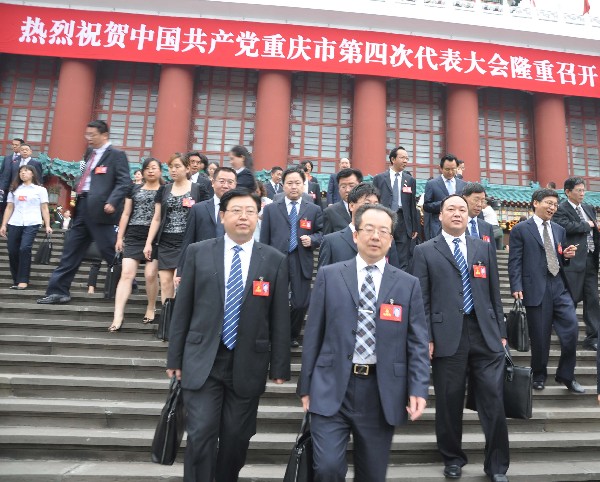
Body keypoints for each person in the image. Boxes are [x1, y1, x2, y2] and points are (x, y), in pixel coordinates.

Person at [166, 188, 290, 482]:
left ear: (258, 217)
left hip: (247, 361)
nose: (243, 216)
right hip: (203, 358)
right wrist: (175, 356)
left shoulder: (273, 260)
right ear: (222, 217)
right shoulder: (198, 252)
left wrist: (280, 365)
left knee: (237, 436)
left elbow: (280, 319)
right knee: (201, 432)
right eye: (236, 210)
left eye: (249, 211)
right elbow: (182, 309)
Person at [299, 203, 430, 482]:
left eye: (383, 231)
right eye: (368, 229)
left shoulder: (408, 285)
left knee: (372, 474)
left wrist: (418, 388)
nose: (375, 236)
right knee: (327, 468)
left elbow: (417, 342)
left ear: (391, 240)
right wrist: (305, 385)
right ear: (355, 235)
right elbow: (313, 334)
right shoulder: (330, 275)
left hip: (381, 391)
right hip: (331, 384)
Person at [412, 194, 510, 482]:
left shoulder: (483, 247)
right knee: (449, 400)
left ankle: (496, 465)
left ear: (469, 216)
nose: (457, 213)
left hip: (485, 334)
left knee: (493, 400)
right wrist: (426, 337)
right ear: (439, 215)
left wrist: (502, 333)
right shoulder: (425, 250)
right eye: (451, 209)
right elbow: (421, 300)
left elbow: (494, 293)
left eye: (462, 210)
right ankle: (452, 458)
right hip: (446, 336)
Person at [37, 120, 131, 305]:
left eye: (93, 135)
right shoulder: (90, 153)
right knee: (70, 250)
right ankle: (58, 291)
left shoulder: (117, 155)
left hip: (102, 210)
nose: (89, 138)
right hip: (82, 207)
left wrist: (113, 201)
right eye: (87, 135)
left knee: (109, 250)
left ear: (104, 135)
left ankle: (130, 281)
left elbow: (124, 181)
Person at [508, 188, 584, 393]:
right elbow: (514, 261)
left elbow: (557, 256)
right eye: (548, 203)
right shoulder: (520, 229)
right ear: (535, 203)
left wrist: (566, 256)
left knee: (571, 329)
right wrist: (516, 286)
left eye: (555, 205)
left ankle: (567, 375)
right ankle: (539, 374)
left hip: (559, 286)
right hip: (535, 289)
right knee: (540, 337)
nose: (552, 207)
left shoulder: (559, 230)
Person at [260, 167, 323, 347]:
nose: (294, 187)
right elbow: (264, 238)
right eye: (290, 183)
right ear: (283, 185)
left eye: (298, 183)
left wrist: (312, 239)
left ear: (304, 185)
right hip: (276, 259)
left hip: (301, 259)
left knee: (301, 302)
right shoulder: (272, 209)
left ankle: (291, 335)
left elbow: (321, 233)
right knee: (273, 299)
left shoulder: (314, 209)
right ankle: (273, 334)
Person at [144, 153, 209, 304]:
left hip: (187, 243)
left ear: (187, 169)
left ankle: (177, 320)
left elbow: (203, 217)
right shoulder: (164, 189)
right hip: (166, 241)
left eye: (177, 166)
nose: (173, 170)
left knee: (178, 282)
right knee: (166, 283)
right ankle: (167, 321)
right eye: (170, 167)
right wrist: (148, 243)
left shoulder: (198, 189)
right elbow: (157, 218)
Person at [109, 158, 163, 332]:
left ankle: (151, 306)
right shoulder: (134, 189)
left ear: (160, 171)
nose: (151, 171)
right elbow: (125, 214)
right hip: (133, 235)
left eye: (154, 168)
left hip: (155, 237)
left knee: (150, 275)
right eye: (147, 168)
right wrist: (120, 237)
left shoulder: (165, 190)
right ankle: (118, 315)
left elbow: (158, 217)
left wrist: (150, 241)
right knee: (126, 273)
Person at [553, 177, 600, 352]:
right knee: (570, 298)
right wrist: (587, 224)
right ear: (567, 192)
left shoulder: (588, 208)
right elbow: (564, 226)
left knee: (593, 298)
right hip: (572, 261)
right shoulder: (561, 209)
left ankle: (593, 337)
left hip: (590, 259)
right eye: (578, 190)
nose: (582, 193)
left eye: (583, 190)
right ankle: (566, 334)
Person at [318, 182, 400, 270]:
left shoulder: (386, 240)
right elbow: (323, 279)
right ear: (351, 206)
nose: (372, 208)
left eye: (376, 204)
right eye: (367, 203)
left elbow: (394, 275)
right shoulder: (331, 241)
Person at [176, 166, 238, 281]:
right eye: (222, 181)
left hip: (232, 266)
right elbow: (188, 240)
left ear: (235, 185)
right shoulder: (198, 209)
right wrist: (180, 271)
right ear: (213, 182)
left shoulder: (240, 212)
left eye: (230, 182)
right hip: (202, 265)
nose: (226, 185)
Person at [0, 165, 52, 290]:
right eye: (21, 172)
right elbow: (9, 207)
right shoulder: (14, 189)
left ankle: (23, 279)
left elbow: (44, 208)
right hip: (15, 222)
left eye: (26, 171)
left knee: (24, 248)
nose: (23, 173)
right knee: (12, 251)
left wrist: (48, 225)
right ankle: (16, 279)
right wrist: (3, 224)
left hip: (32, 222)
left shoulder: (40, 190)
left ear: (32, 174)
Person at [372, 146, 419, 270]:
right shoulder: (380, 178)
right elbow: (374, 200)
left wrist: (414, 227)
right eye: (402, 158)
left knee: (403, 254)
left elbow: (412, 204)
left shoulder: (409, 180)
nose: (405, 161)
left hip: (403, 220)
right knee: (384, 248)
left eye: (407, 158)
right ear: (393, 159)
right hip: (384, 218)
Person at [424, 154, 466, 240]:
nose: (450, 172)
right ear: (441, 168)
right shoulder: (432, 184)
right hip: (438, 226)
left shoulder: (463, 185)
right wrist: (445, 204)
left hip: (458, 226)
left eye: (453, 169)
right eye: (447, 169)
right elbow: (426, 206)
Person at [322, 168, 362, 234]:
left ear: (360, 186)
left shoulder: (369, 209)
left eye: (351, 186)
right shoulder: (330, 212)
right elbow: (327, 240)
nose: (347, 190)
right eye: (343, 186)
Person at [0, 137, 24, 218]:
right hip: (4, 189)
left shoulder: (23, 159)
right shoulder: (7, 158)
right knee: (2, 207)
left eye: (16, 145)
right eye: (13, 145)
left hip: (16, 188)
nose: (14, 146)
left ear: (21, 146)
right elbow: (2, 173)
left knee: (13, 208)